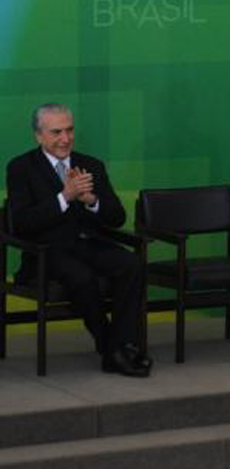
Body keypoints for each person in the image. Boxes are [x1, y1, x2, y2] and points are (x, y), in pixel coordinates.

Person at [6, 103, 151, 377]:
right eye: (56, 132)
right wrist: (65, 197)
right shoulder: (21, 168)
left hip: (88, 244)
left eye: (69, 130)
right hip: (46, 252)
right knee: (81, 277)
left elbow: (117, 217)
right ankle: (113, 350)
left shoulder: (91, 164)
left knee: (131, 263)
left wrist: (92, 200)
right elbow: (22, 223)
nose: (65, 138)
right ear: (39, 136)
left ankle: (122, 344)